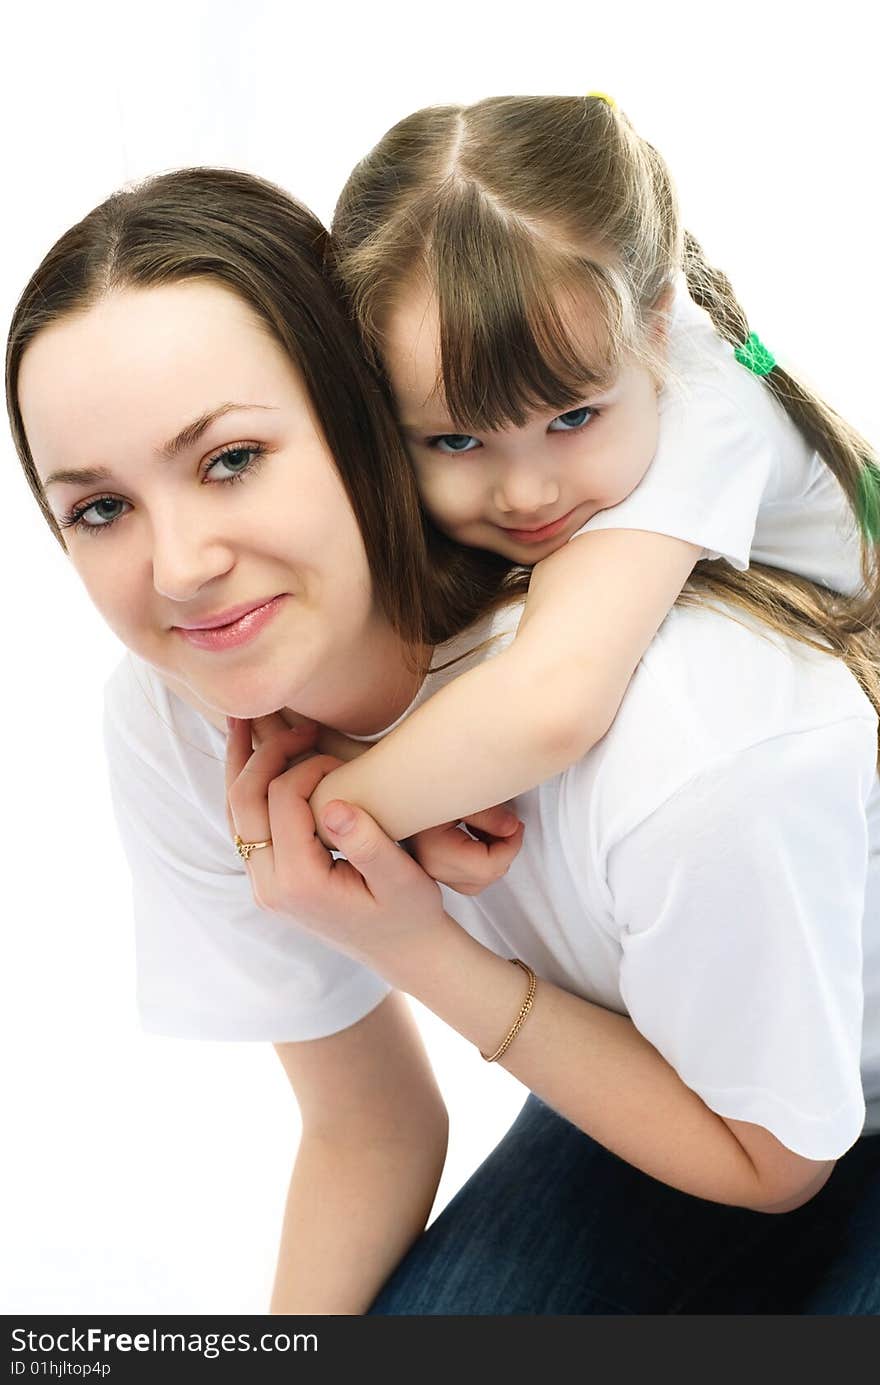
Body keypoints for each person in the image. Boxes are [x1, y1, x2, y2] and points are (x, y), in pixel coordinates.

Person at [7, 167, 880, 1316]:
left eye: (231, 459)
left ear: (365, 414)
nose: (179, 567)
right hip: (673, 1075)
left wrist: (409, 925)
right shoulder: (181, 717)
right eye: (101, 508)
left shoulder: (685, 730)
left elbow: (776, 1163)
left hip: (777, 1127)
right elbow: (366, 1127)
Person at [290, 93, 880, 865]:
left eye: (571, 420)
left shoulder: (709, 413)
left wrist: (327, 816)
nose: (527, 493)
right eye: (458, 439)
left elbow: (553, 702)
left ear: (657, 331)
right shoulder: (608, 382)